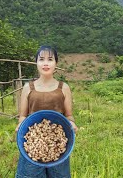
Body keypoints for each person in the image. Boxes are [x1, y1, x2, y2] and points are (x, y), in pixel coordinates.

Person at [15, 45, 78, 177]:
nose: (45, 63)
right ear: (36, 62)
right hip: (33, 141)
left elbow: (69, 115)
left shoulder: (63, 87)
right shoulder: (28, 87)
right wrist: (20, 125)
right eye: (41, 59)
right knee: (30, 174)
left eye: (50, 59)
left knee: (59, 174)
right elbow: (22, 116)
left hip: (58, 143)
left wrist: (71, 123)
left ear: (56, 63)